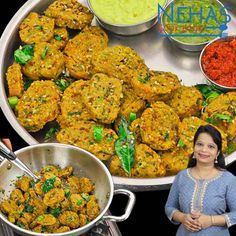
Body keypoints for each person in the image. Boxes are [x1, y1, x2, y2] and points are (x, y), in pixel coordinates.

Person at [165, 124, 236, 236]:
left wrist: (211, 220)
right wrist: (183, 217)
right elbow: (169, 207)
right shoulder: (182, 176)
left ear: (217, 153)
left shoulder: (228, 179)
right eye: (200, 144)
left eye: (211, 146)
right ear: (193, 147)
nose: (204, 150)